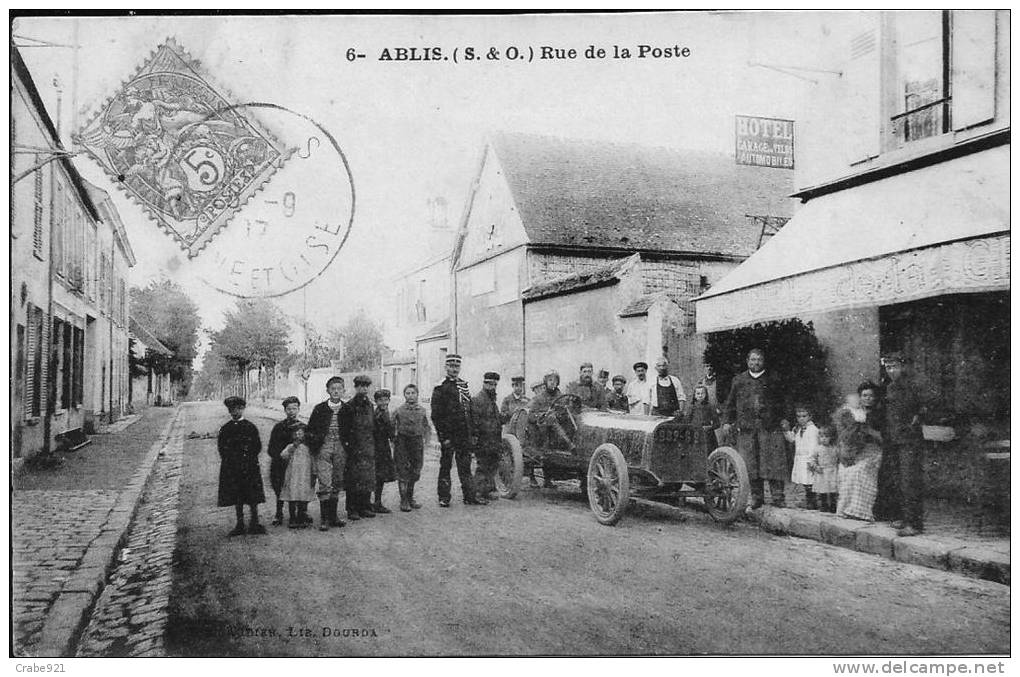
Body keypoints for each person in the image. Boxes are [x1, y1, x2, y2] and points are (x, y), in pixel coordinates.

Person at [721, 348, 789, 509]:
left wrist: (785, 418)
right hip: (747, 429)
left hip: (769, 428)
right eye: (752, 360)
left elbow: (784, 401)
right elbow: (730, 403)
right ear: (747, 361)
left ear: (763, 361)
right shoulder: (739, 380)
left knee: (772, 462)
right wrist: (726, 421)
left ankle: (778, 497)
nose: (755, 362)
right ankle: (757, 497)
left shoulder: (773, 379)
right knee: (750, 464)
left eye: (758, 359)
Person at [878, 352, 927, 536]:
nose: (891, 370)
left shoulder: (913, 385)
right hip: (894, 440)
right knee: (897, 480)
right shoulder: (890, 387)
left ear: (903, 366)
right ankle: (903, 517)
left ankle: (914, 524)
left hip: (910, 441)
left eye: (895, 366)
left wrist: (917, 418)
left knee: (909, 482)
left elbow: (924, 406)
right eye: (888, 367)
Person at [431, 354, 484, 507]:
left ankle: (469, 496)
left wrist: (473, 433)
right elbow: (436, 415)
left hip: (463, 435)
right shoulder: (440, 387)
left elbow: (470, 411)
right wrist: (443, 437)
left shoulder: (463, 386)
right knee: (446, 466)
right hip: (448, 435)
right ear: (445, 367)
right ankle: (444, 497)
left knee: (465, 467)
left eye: (457, 367)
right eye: (451, 366)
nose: (454, 369)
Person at [216, 396, 267, 536]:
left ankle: (254, 522)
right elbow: (222, 448)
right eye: (232, 409)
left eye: (238, 409)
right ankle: (240, 523)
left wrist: (248, 458)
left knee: (252, 495)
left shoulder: (250, 427)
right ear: (229, 411)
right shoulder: (226, 429)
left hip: (249, 466)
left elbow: (257, 446)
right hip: (232, 467)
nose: (235, 412)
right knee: (236, 495)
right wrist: (229, 461)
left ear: (243, 409)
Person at [836, 384, 884, 522]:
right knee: (846, 470)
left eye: (871, 396)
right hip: (857, 451)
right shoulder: (853, 413)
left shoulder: (879, 414)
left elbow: (882, 438)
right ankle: (846, 509)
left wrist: (868, 430)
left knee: (859, 471)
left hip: (874, 451)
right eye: (864, 395)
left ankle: (861, 511)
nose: (868, 399)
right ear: (860, 397)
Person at [306, 377, 348, 531]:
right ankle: (324, 519)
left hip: (341, 447)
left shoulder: (347, 409)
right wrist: (316, 443)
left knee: (337, 480)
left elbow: (351, 431)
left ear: (344, 391)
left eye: (339, 388)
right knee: (325, 481)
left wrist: (347, 446)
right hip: (324, 446)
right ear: (328, 391)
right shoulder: (320, 409)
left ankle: (333, 516)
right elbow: (310, 429)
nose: (336, 391)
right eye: (333, 389)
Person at [341, 375, 378, 520]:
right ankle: (352, 509)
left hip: (368, 446)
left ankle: (365, 506)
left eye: (366, 386)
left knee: (367, 477)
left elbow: (372, 426)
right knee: (353, 478)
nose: (363, 389)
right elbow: (345, 430)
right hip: (355, 448)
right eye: (360, 386)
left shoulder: (369, 405)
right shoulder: (350, 406)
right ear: (355, 387)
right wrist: (349, 446)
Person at [393, 384, 431, 512]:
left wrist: (426, 442)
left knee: (415, 471)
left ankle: (410, 498)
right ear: (404, 395)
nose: (410, 396)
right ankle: (403, 500)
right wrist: (395, 441)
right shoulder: (398, 410)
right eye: (408, 393)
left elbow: (426, 427)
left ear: (417, 394)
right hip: (402, 443)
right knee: (403, 471)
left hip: (417, 443)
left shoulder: (422, 410)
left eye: (413, 393)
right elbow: (392, 427)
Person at [266, 395, 302, 526]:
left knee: (296, 487)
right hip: (280, 463)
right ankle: (279, 513)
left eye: (294, 408)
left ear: (299, 409)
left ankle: (297, 514)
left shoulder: (302, 427)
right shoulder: (278, 427)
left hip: (297, 464)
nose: (292, 411)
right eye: (289, 409)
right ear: (285, 410)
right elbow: (271, 448)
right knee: (279, 488)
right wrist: (280, 455)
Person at [471, 372, 502, 502]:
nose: (493, 387)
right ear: (484, 384)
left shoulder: (491, 400)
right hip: (483, 440)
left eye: (495, 384)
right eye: (490, 384)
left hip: (493, 439)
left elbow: (496, 419)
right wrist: (476, 438)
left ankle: (487, 490)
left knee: (492, 465)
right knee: (483, 466)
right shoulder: (478, 399)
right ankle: (477, 493)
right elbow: (475, 421)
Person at [782, 404, 820, 510]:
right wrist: (786, 430)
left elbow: (814, 446)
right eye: (798, 416)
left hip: (808, 458)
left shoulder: (813, 430)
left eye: (804, 416)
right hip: (800, 458)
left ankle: (812, 501)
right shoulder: (798, 429)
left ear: (809, 417)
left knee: (810, 481)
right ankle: (808, 500)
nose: (801, 419)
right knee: (804, 480)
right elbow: (793, 439)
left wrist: (812, 459)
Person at [501, 376, 536, 487]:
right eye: (516, 385)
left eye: (520, 386)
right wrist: (514, 413)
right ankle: (511, 479)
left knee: (529, 451)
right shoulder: (507, 400)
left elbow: (531, 414)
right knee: (512, 454)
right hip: (511, 431)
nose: (518, 388)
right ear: (513, 386)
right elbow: (503, 414)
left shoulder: (527, 400)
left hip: (523, 431)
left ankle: (532, 477)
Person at [280, 422, 315, 528]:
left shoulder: (308, 447)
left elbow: (313, 461)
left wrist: (314, 473)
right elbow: (283, 456)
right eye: (296, 433)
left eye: (301, 433)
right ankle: (292, 518)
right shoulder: (291, 446)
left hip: (305, 476)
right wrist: (292, 447)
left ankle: (301, 516)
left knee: (303, 496)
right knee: (293, 496)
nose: (298, 436)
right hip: (293, 476)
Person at [372, 389, 396, 514]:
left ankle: (377, 501)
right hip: (377, 447)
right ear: (376, 401)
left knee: (380, 476)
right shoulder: (379, 414)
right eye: (380, 400)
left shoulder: (385, 413)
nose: (384, 402)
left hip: (383, 447)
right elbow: (388, 430)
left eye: (386, 400)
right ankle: (376, 502)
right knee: (378, 476)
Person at [809, 424, 839, 513]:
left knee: (833, 489)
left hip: (832, 471)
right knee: (823, 490)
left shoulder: (835, 448)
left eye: (826, 436)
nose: (824, 439)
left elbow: (839, 459)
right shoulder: (817, 449)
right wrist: (816, 466)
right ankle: (824, 505)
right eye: (821, 436)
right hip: (822, 471)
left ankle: (833, 505)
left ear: (832, 437)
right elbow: (812, 459)